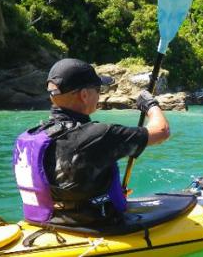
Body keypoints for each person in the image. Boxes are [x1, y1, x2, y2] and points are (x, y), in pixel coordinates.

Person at [13, 58, 170, 227]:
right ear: (84, 95)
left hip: (45, 222)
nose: (99, 94)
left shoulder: (32, 136)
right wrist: (150, 105)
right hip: (95, 228)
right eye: (98, 89)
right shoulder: (99, 135)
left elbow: (66, 182)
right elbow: (161, 131)